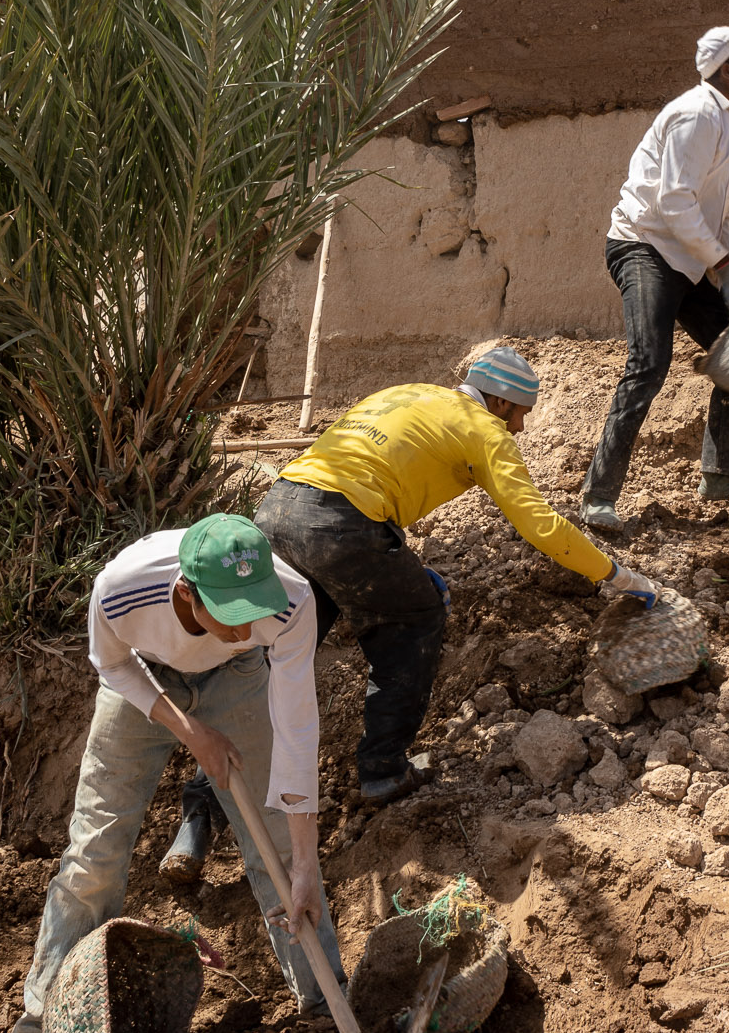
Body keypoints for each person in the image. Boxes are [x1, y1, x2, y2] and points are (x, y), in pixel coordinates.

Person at [11, 514, 342, 1033]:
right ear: (186, 594)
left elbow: (296, 728)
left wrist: (306, 857)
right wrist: (190, 732)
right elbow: (111, 662)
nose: (246, 629)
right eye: (232, 615)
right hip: (145, 678)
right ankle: (42, 1017)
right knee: (97, 849)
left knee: (283, 857)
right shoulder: (123, 588)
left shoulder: (291, 602)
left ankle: (325, 999)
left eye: (253, 611)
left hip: (237, 679)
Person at [257, 346, 652, 809]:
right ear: (501, 402)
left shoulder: (408, 393)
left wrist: (396, 560)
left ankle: (204, 809)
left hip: (279, 510)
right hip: (344, 527)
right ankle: (382, 770)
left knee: (280, 655)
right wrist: (618, 576)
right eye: (520, 413)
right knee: (416, 618)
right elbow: (541, 525)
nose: (520, 427)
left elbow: (357, 475)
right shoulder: (484, 429)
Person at [580, 21, 729, 533]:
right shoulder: (696, 116)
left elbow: (717, 213)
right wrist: (721, 265)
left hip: (686, 253)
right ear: (728, 69)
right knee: (649, 364)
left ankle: (719, 475)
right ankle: (598, 497)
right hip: (644, 246)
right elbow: (672, 203)